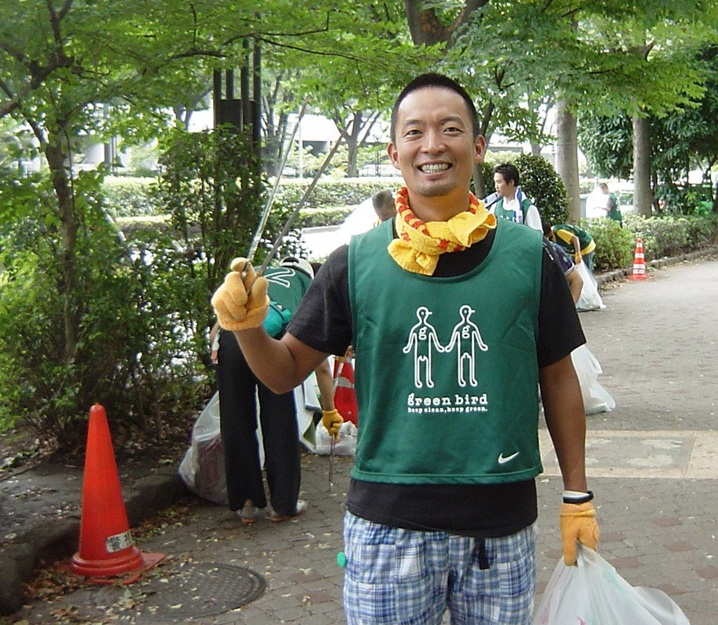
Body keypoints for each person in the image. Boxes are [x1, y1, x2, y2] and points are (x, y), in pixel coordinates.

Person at [211, 73, 597, 625]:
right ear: (395, 152)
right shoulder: (356, 261)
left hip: (498, 528)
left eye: (450, 129)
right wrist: (247, 327)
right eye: (415, 131)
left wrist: (576, 495)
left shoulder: (527, 255)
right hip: (387, 528)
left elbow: (558, 377)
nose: (433, 144)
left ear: (478, 148)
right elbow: (283, 373)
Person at [212, 257, 340, 524]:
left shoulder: (262, 272)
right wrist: (329, 410)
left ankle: (245, 504)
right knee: (278, 421)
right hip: (270, 340)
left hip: (230, 337)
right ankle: (283, 505)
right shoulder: (309, 285)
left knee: (236, 421)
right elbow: (322, 367)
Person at [489, 163, 543, 231]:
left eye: (499, 182)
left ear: (511, 182)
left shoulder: (527, 208)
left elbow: (537, 237)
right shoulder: (495, 207)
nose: (496, 186)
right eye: (495, 182)